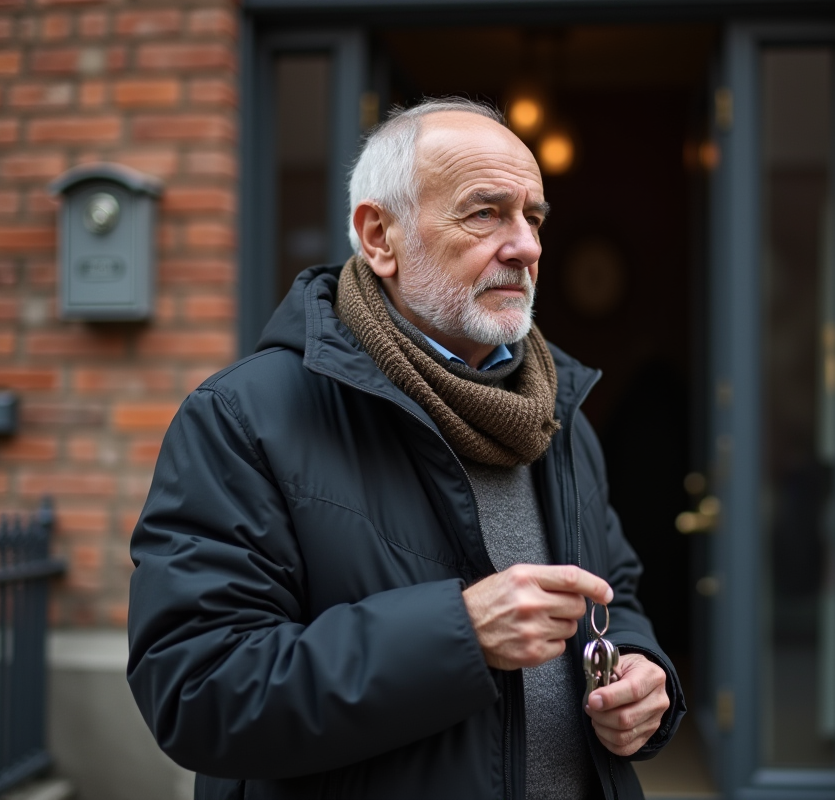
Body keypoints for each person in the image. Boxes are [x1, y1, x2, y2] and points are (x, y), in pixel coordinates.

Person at [127, 97, 685, 800]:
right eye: (486, 212)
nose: (527, 246)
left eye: (533, 217)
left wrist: (641, 674)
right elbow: (197, 692)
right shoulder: (242, 419)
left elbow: (618, 595)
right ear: (379, 237)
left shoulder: (557, 412)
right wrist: (460, 633)